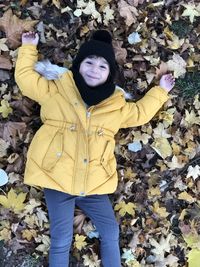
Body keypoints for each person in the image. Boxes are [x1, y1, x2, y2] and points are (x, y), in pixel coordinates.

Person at [15, 30, 175, 267]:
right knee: (61, 239)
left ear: (110, 74)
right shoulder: (56, 90)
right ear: (78, 65)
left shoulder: (116, 106)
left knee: (111, 232)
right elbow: (26, 80)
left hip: (94, 183)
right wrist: (28, 48)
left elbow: (140, 113)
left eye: (102, 66)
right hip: (56, 177)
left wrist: (160, 91)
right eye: (89, 62)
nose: (94, 69)